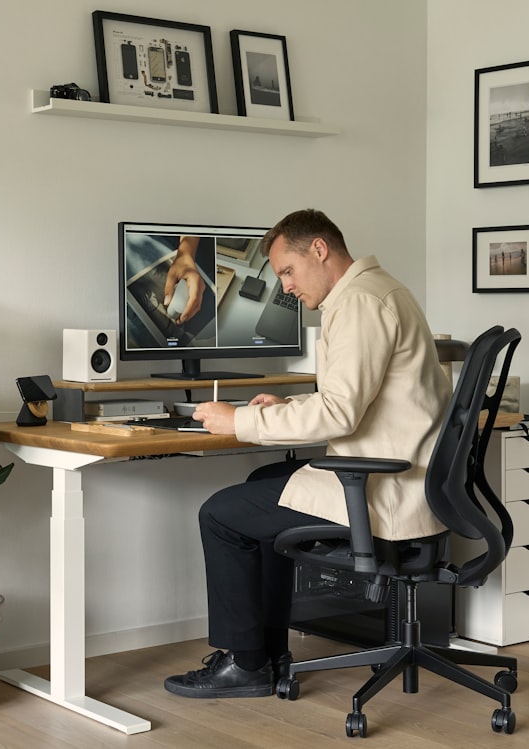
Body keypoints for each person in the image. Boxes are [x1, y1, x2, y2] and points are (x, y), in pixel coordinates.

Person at [163, 209, 452, 698]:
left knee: (220, 514)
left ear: (319, 249)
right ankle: (269, 653)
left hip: (384, 487)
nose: (287, 287)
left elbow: (339, 414)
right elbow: (359, 399)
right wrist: (289, 404)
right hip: (403, 473)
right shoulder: (380, 289)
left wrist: (238, 421)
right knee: (261, 486)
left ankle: (246, 663)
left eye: (287, 271)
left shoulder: (360, 303)